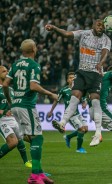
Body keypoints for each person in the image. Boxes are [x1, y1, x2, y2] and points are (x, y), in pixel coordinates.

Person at [45, 19, 111, 146]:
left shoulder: (106, 39)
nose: (100, 27)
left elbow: (105, 52)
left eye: (103, 25)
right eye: (98, 24)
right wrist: (54, 28)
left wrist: (101, 63)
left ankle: (98, 134)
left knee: (96, 101)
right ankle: (62, 123)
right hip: (81, 72)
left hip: (96, 73)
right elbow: (67, 34)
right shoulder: (84, 33)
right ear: (93, 25)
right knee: (74, 97)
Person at [3, 39, 57, 184]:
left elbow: (5, 84)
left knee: (33, 137)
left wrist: (10, 100)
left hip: (15, 106)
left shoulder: (15, 65)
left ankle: (39, 173)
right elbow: (33, 86)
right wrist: (50, 94)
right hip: (27, 105)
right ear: (34, 49)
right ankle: (34, 176)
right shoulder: (34, 65)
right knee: (38, 137)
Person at [47, 72, 88, 153]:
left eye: (74, 77)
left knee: (86, 129)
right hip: (70, 115)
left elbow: (83, 98)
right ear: (67, 80)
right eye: (70, 77)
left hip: (78, 113)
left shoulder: (78, 89)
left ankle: (68, 137)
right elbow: (57, 100)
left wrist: (84, 103)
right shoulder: (64, 90)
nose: (72, 79)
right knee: (81, 130)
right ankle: (79, 148)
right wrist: (51, 111)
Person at [0, 66, 32, 168]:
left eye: (7, 71)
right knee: (13, 142)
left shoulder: (11, 89)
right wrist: (4, 111)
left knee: (31, 138)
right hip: (2, 120)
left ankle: (27, 162)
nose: (7, 73)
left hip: (14, 119)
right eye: (4, 71)